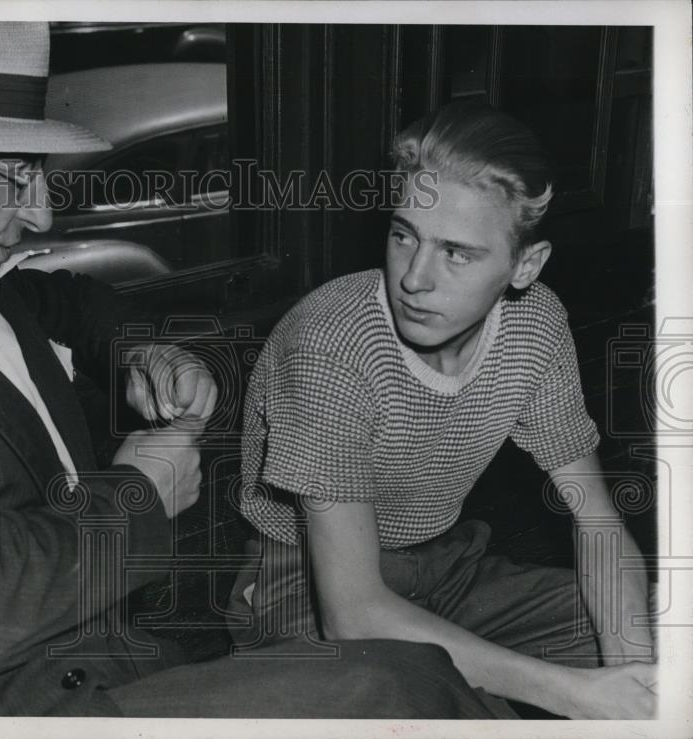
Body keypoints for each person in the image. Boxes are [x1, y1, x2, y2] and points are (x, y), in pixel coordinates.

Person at [0, 21, 500, 718]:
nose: (38, 214)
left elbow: (71, 302)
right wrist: (144, 493)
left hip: (117, 657)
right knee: (405, 685)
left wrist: (139, 353)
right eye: (14, 174)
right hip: (15, 711)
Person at [234, 102, 658, 719]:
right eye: (404, 235)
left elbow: (595, 522)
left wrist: (638, 680)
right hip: (302, 585)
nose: (414, 278)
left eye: (457, 253)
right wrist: (584, 699)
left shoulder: (535, 324)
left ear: (525, 266)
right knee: (451, 707)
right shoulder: (330, 343)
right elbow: (353, 614)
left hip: (449, 567)